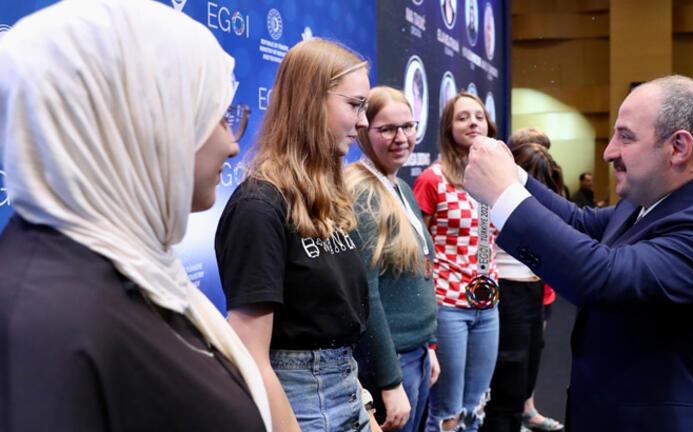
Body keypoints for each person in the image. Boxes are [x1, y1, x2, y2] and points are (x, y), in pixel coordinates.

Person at [0, 1, 271, 430]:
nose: (233, 144)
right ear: (141, 123)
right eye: (216, 118)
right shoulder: (45, 325)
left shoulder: (124, 265)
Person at [464, 75, 693, 432]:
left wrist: (502, 196)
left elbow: (603, 277)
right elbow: (579, 222)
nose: (609, 152)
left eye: (625, 136)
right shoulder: (648, 203)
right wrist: (515, 177)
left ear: (679, 147)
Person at [215, 38, 374, 432]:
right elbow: (251, 355)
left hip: (347, 390)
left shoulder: (327, 196)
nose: (364, 122)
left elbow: (337, 324)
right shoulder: (259, 206)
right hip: (298, 406)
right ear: (310, 102)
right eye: (354, 106)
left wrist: (365, 410)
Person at [345, 86, 440, 432]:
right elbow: (366, 295)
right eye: (387, 129)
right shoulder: (363, 192)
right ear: (362, 133)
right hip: (390, 361)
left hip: (412, 352)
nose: (401, 138)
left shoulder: (396, 186)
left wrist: (427, 346)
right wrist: (389, 381)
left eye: (408, 126)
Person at [413, 92, 500, 432]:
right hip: (447, 305)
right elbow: (415, 247)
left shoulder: (496, 178)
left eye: (478, 116)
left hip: (488, 303)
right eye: (463, 117)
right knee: (447, 412)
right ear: (448, 127)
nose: (473, 123)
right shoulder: (432, 179)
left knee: (476, 407)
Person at [483, 143, 565, 432]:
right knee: (508, 381)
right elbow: (484, 247)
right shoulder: (491, 198)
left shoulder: (542, 196)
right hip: (507, 291)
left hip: (533, 290)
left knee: (525, 377)